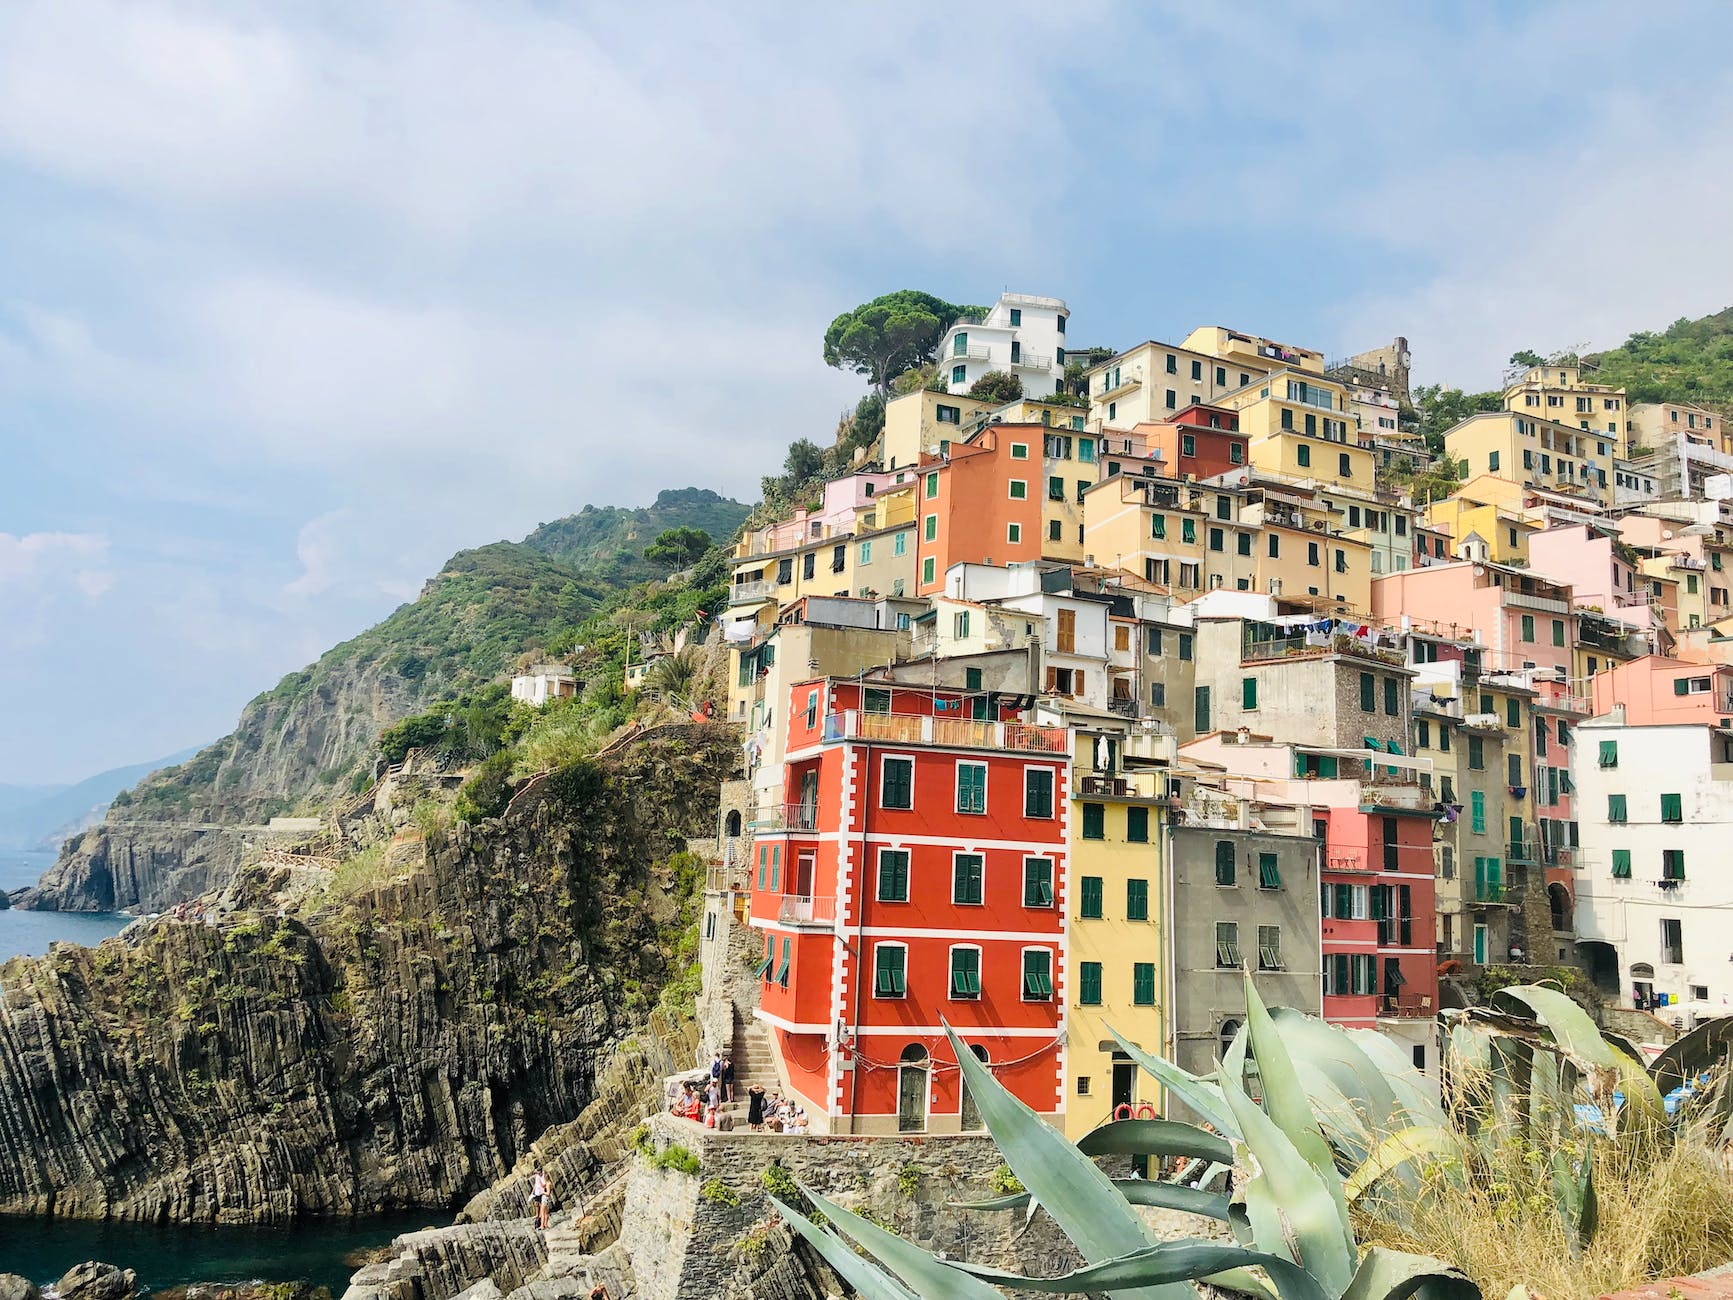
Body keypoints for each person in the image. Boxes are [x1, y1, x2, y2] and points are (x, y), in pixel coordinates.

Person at [530, 1166, 551, 1231]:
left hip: (543, 1195)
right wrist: (533, 1191)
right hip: (538, 1193)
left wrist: (543, 1192)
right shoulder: (538, 1176)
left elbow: (547, 1192)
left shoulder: (546, 1182)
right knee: (537, 1205)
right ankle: (544, 1224)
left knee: (543, 1212)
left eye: (539, 1172)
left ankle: (542, 1225)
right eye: (537, 1173)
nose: (538, 1174)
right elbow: (537, 1184)